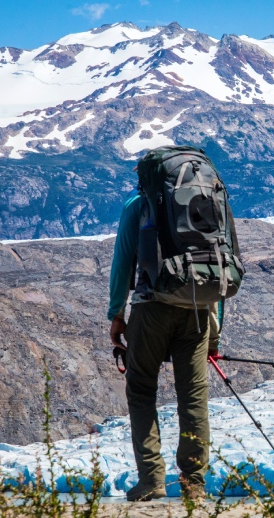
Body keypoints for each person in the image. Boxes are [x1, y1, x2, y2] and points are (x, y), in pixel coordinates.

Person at [107, 188, 221, 502]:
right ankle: (194, 484)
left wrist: (116, 313)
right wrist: (214, 335)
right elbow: (216, 266)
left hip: (150, 306)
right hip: (197, 310)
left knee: (142, 390)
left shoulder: (138, 202)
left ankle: (151, 480)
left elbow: (123, 259)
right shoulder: (205, 199)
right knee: (193, 396)